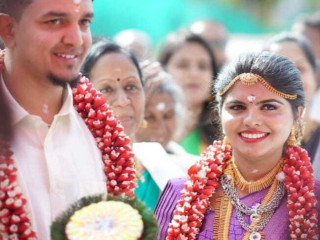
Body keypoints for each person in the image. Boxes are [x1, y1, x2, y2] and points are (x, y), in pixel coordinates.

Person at [0, 1, 136, 239]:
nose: (76, 39)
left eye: (84, 22)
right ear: (8, 30)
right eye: (55, 22)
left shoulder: (101, 134)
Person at [155, 52, 320, 240]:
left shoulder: (314, 204)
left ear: (297, 115)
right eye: (237, 107)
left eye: (269, 107)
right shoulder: (180, 194)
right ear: (219, 114)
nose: (251, 120)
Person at [81, 39, 187, 210]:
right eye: (106, 89)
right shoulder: (69, 170)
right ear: (82, 97)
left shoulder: (168, 171)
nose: (123, 101)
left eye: (131, 86)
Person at [158, 30, 221, 156]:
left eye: (202, 66)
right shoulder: (142, 131)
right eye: (182, 65)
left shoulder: (225, 140)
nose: (194, 73)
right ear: (161, 72)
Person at [264, 32, 320, 162]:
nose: (292, 78)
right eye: (279, 69)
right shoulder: (250, 140)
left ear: (315, 77)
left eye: (300, 68)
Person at [135, 72, 197, 173]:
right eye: (148, 116)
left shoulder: (193, 171)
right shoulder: (111, 171)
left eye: (167, 116)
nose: (160, 127)